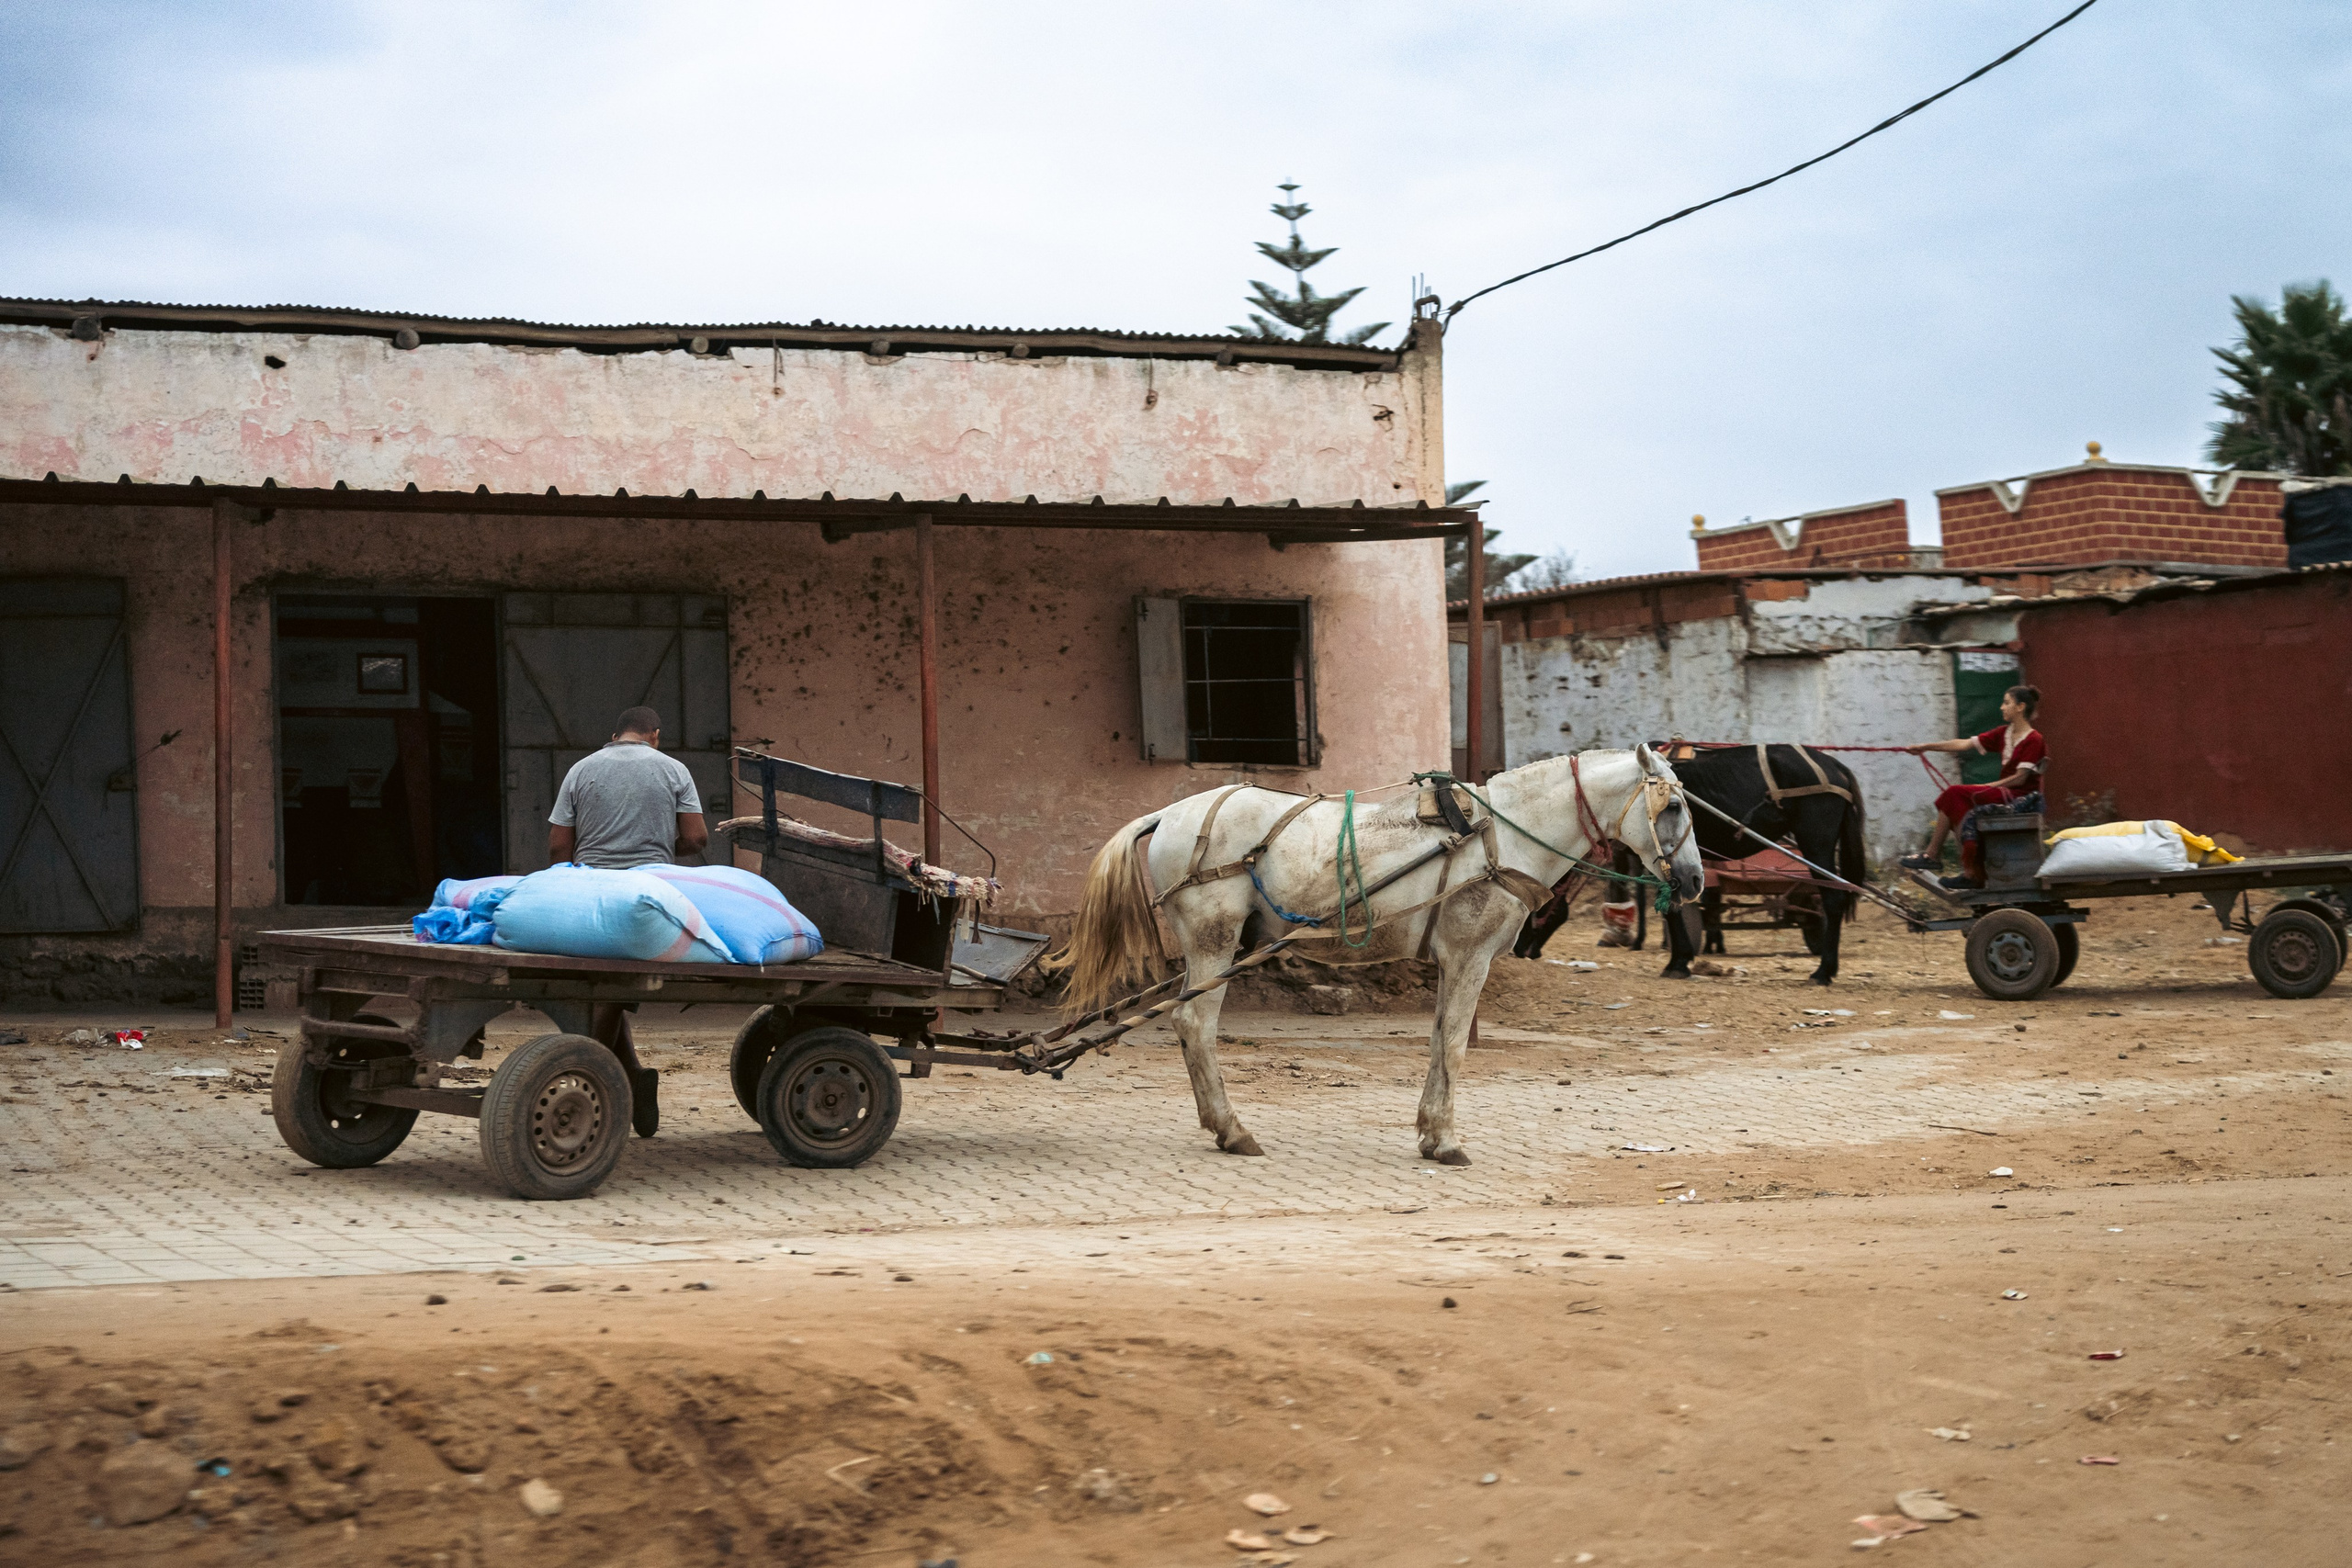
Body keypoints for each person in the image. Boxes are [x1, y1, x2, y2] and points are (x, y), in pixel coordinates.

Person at [1899, 685, 2047, 886]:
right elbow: (1964, 744)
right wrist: (1925, 747)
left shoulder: (2034, 739)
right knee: (1956, 800)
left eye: (2006, 702)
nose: (2002, 707)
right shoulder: (2004, 733)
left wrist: (1989, 786)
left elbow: (2020, 779)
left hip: (2020, 796)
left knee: (1954, 793)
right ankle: (1969, 871)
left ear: (2020, 707)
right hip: (2003, 792)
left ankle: (1935, 856)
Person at [547, 706, 709, 869]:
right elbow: (695, 839)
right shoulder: (675, 770)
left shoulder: (579, 770)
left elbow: (559, 845)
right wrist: (660, 850)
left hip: (594, 881)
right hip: (651, 881)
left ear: (615, 737)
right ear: (655, 735)